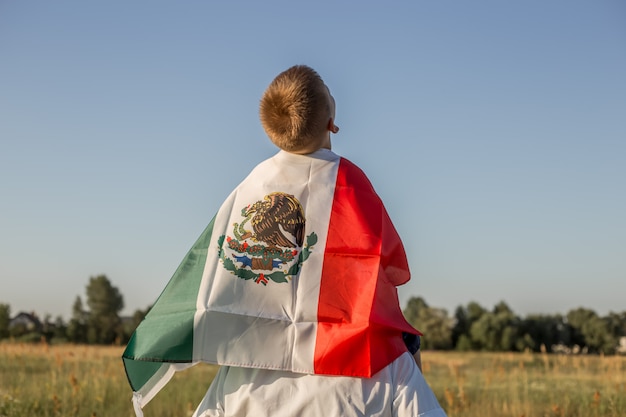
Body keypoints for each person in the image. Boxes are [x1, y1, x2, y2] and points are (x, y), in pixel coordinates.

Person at [122, 65, 446, 417]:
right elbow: (381, 264)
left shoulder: (252, 186)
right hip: (353, 348)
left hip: (257, 338)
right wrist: (404, 347)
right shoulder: (351, 184)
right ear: (332, 122)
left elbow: (218, 258)